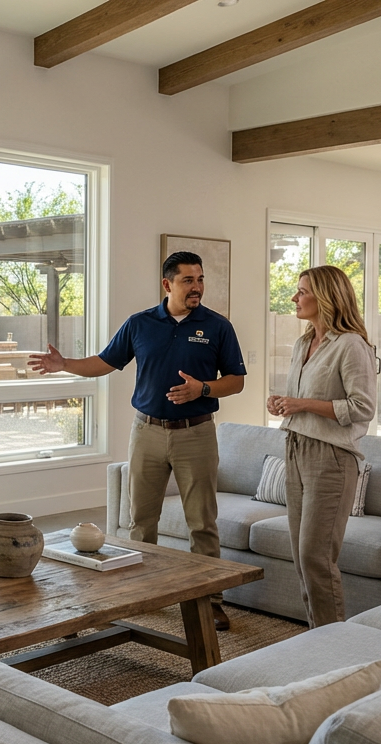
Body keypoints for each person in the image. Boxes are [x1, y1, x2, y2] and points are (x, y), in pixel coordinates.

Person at [29, 251, 246, 630]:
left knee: (202, 523)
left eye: (200, 279)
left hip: (196, 434)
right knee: (140, 522)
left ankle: (210, 602)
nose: (196, 287)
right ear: (167, 284)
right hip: (146, 432)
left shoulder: (217, 326)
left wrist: (202, 388)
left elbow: (236, 380)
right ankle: (139, 592)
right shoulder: (140, 324)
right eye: (188, 280)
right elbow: (104, 362)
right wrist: (65, 365)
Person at [266, 265, 376, 628]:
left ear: (326, 297)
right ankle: (315, 634)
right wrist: (283, 403)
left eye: (302, 292)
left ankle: (331, 641)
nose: (294, 298)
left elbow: (362, 408)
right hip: (295, 448)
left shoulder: (351, 345)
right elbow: (304, 399)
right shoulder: (303, 344)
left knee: (316, 556)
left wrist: (303, 404)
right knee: (302, 556)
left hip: (331, 459)